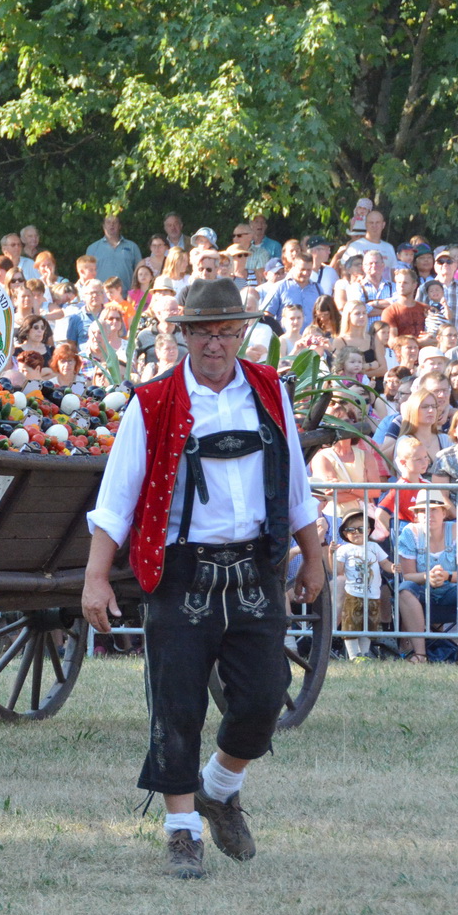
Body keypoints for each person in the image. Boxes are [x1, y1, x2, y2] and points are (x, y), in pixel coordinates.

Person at [81, 277, 322, 879]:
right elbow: (117, 498)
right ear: (182, 334)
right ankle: (182, 831)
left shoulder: (268, 390)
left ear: (242, 334)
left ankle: (219, 786)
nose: (215, 344)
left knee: (265, 696)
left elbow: (294, 483)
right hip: (181, 569)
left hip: (255, 567)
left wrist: (312, 555)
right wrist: (96, 577)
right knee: (177, 701)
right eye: (202, 332)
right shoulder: (153, 402)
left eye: (226, 332)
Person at [395, 491, 458, 663]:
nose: (429, 514)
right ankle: (420, 654)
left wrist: (446, 576)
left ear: (444, 513)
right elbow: (408, 576)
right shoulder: (409, 534)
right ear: (417, 515)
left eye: (434, 509)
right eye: (422, 510)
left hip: (451, 590)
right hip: (421, 591)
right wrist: (428, 576)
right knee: (404, 590)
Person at [333, 512, 392, 660]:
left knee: (369, 624)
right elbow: (337, 570)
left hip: (373, 593)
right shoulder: (344, 549)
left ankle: (364, 654)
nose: (356, 533)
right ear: (345, 534)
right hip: (353, 593)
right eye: (351, 530)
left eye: (361, 529)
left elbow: (385, 563)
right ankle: (354, 656)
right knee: (351, 623)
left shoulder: (374, 547)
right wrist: (331, 554)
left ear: (369, 530)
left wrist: (393, 567)